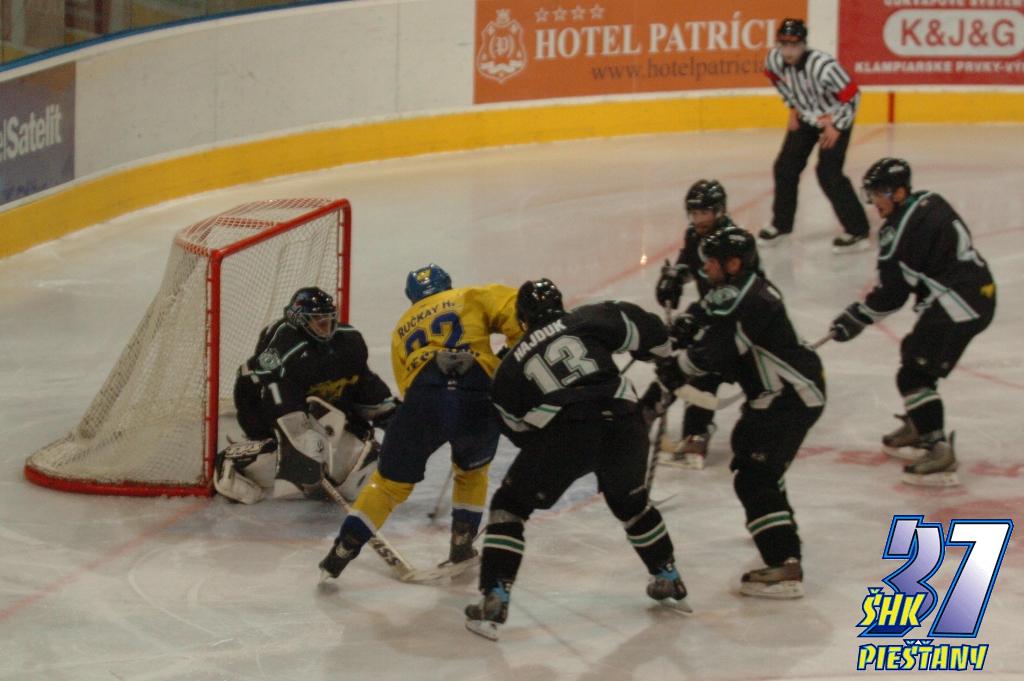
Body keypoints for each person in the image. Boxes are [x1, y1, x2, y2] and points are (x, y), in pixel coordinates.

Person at [464, 279, 690, 641]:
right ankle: (668, 575)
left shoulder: (511, 365)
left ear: (522, 320)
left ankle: (495, 597)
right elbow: (650, 333)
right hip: (625, 423)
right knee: (631, 501)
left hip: (568, 432)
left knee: (510, 506)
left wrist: (552, 448)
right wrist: (659, 353)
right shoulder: (590, 317)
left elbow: (515, 427)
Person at [319, 264, 523, 579]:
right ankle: (461, 545)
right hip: (476, 396)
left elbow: (406, 387)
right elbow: (519, 312)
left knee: (388, 486)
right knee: (471, 473)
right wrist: (509, 355)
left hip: (424, 399)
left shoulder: (402, 328)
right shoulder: (470, 296)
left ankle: (342, 550)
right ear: (448, 284)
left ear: (412, 297)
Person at [655, 229, 825, 599]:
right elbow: (710, 309)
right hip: (775, 396)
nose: (705, 268)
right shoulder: (741, 286)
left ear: (733, 263)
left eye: (712, 263)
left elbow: (718, 349)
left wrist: (679, 366)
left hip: (790, 397)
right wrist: (687, 320)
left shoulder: (750, 298)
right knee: (751, 454)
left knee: (755, 476)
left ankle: (784, 563)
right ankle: (778, 529)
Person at [829, 158, 996, 487]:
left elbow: (892, 294)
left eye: (879, 193)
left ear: (900, 192)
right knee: (915, 353)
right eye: (871, 193)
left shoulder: (898, 232)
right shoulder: (931, 200)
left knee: (913, 374)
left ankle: (937, 446)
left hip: (958, 304)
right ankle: (920, 422)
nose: (874, 201)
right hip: (977, 292)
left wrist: (856, 317)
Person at [218, 287, 397, 504]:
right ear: (300, 320)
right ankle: (234, 459)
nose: (326, 326)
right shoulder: (284, 343)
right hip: (273, 416)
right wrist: (295, 436)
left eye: (328, 319)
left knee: (364, 469)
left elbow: (361, 382)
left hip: (320, 418)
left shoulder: (349, 341)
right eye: (318, 321)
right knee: (307, 450)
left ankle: (312, 463)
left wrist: (389, 412)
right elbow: (268, 392)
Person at [655, 179, 760, 467]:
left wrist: (696, 317)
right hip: (713, 315)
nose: (699, 220)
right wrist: (674, 278)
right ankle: (673, 427)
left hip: (738, 324)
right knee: (684, 368)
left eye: (705, 213)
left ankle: (697, 436)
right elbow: (689, 265)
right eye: (694, 213)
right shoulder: (694, 234)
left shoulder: (733, 243)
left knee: (704, 369)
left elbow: (738, 292)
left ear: (720, 211)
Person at [759, 18, 870, 253]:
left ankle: (858, 230)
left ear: (803, 44)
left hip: (835, 117)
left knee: (828, 173)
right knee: (785, 167)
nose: (788, 51)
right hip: (806, 117)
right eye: (784, 45)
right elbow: (775, 78)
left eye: (794, 45)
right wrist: (792, 106)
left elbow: (853, 96)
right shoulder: (774, 59)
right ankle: (782, 224)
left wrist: (837, 126)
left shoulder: (824, 66)